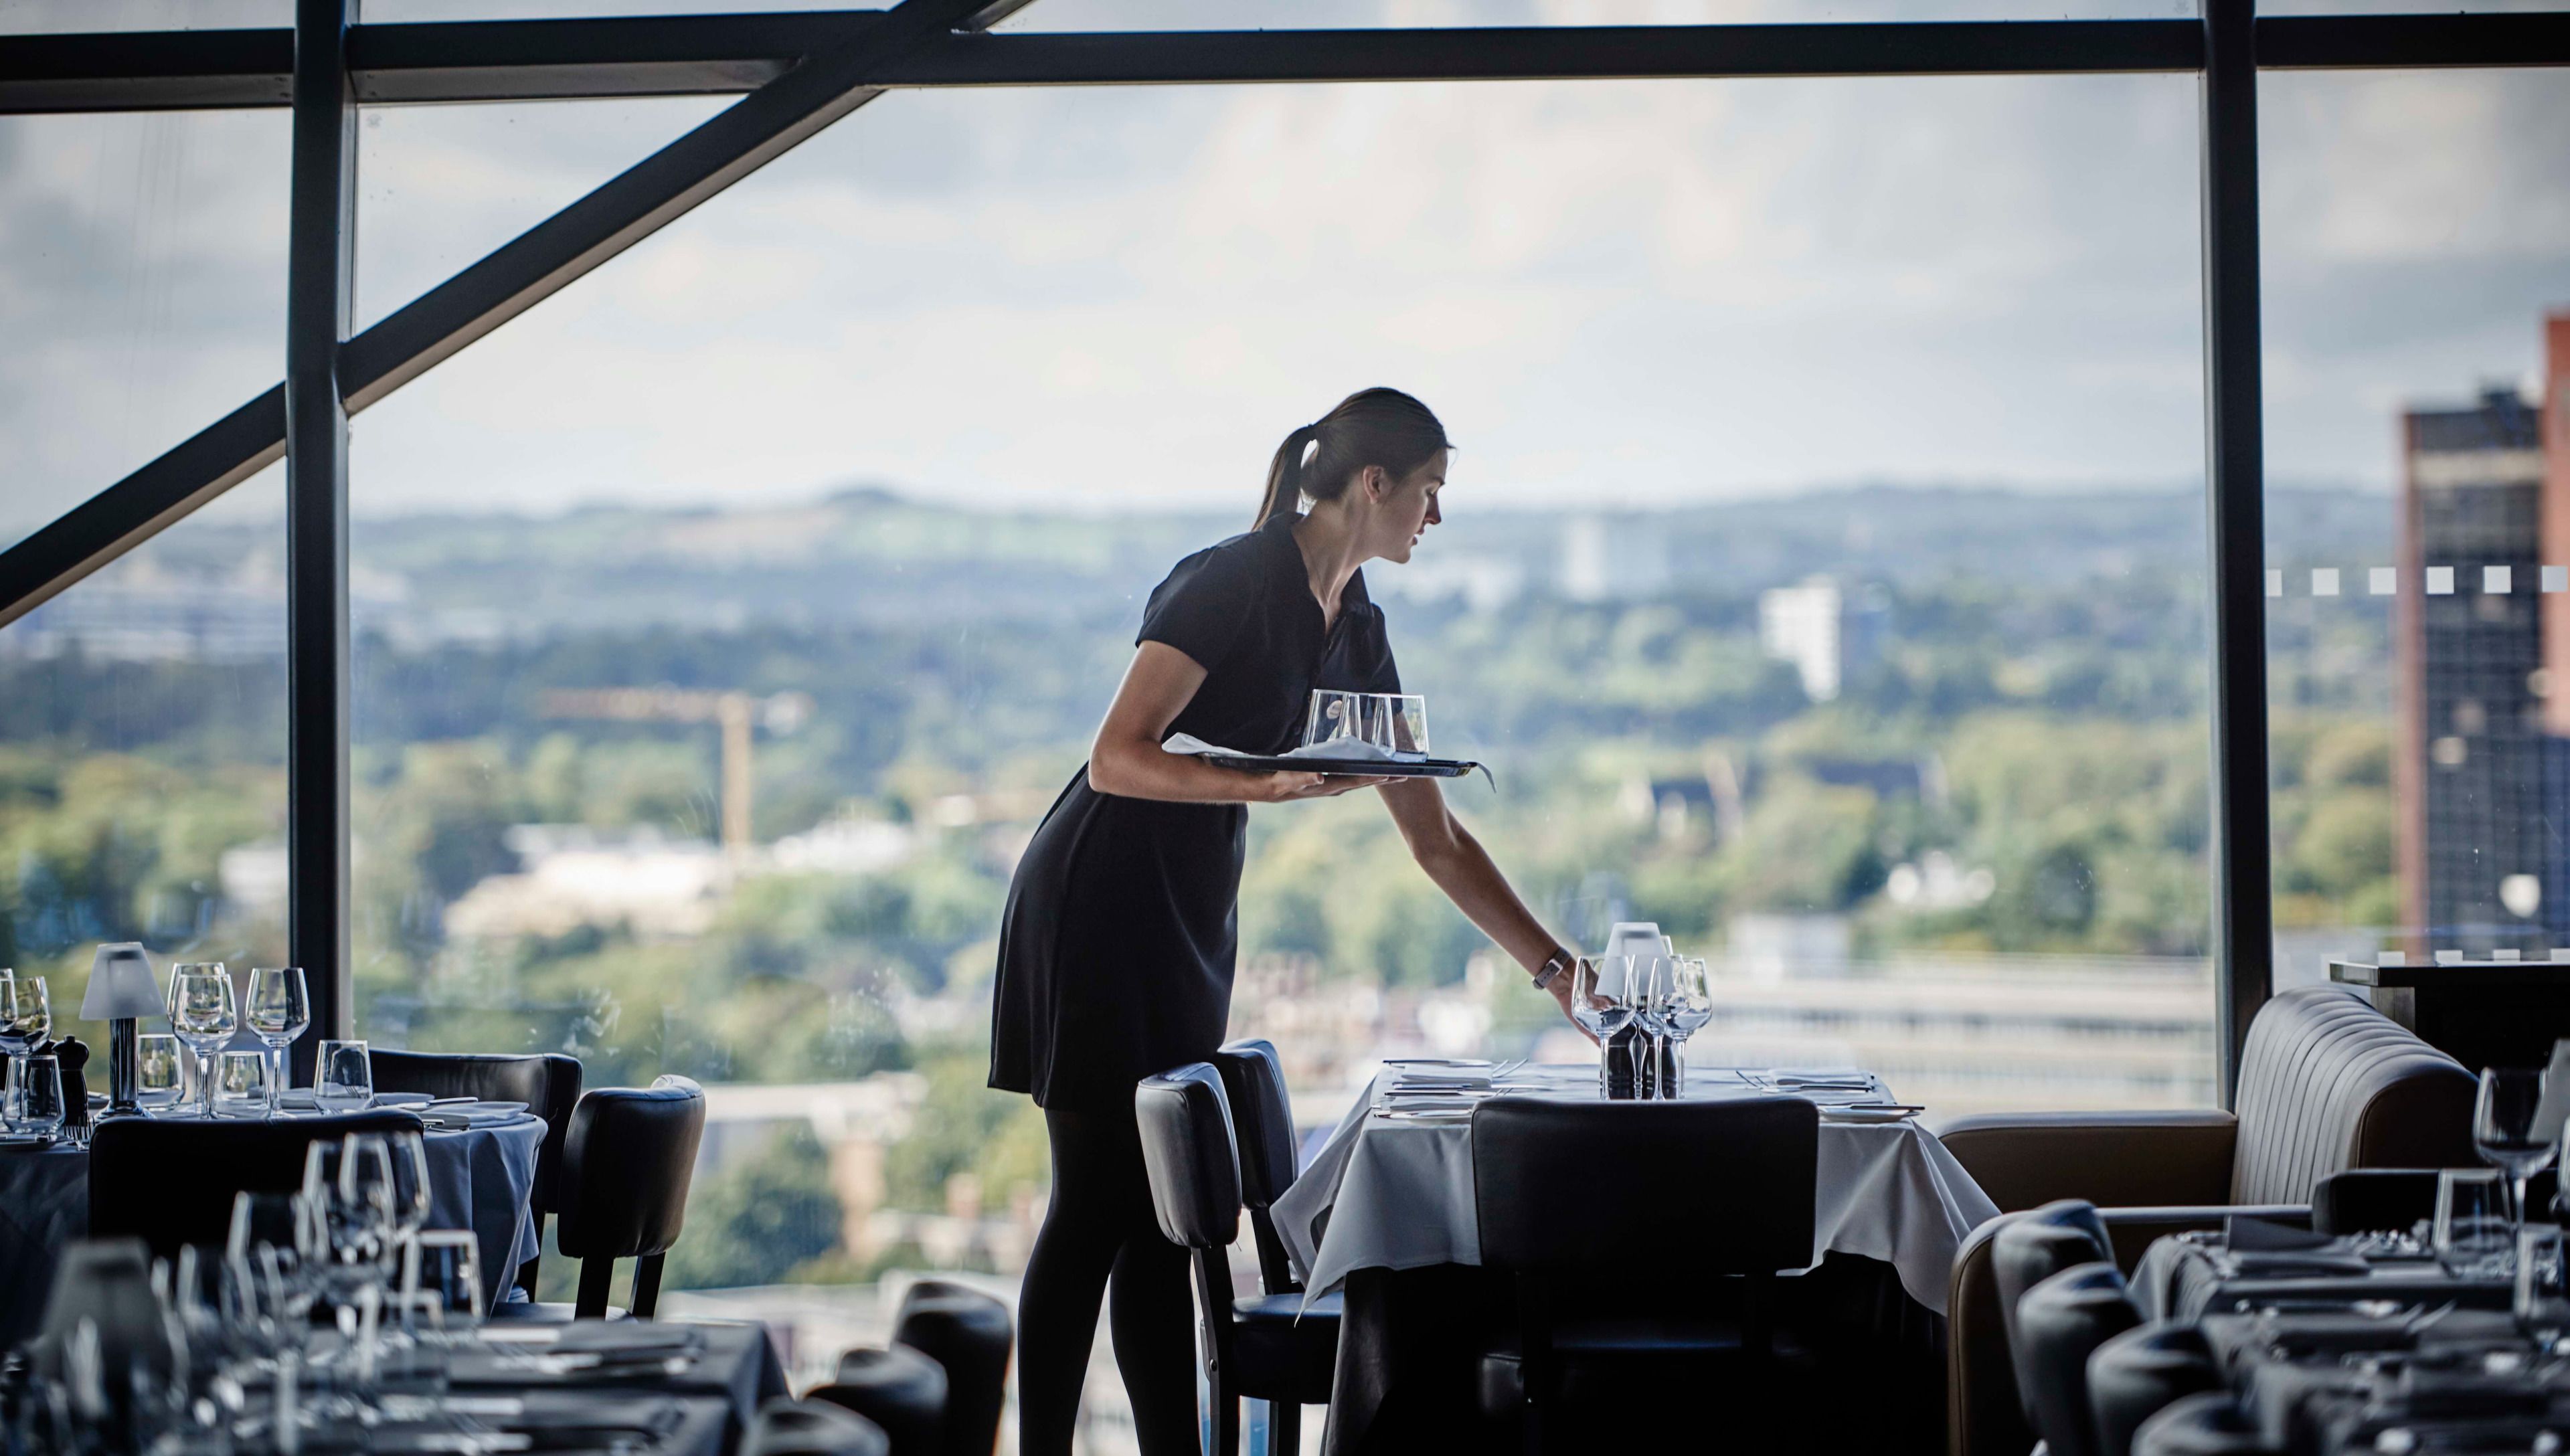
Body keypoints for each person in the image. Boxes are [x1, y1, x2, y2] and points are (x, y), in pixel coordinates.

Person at [989, 386, 1585, 1453]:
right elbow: (1114, 757)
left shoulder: (1357, 625)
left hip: (1188, 911)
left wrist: (1560, 971)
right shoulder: (1231, 581)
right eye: (1430, 493)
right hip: (1094, 899)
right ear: (1375, 484)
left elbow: (1435, 838)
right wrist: (1257, 790)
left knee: (1161, 1234)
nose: (1435, 520)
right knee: (1093, 1212)